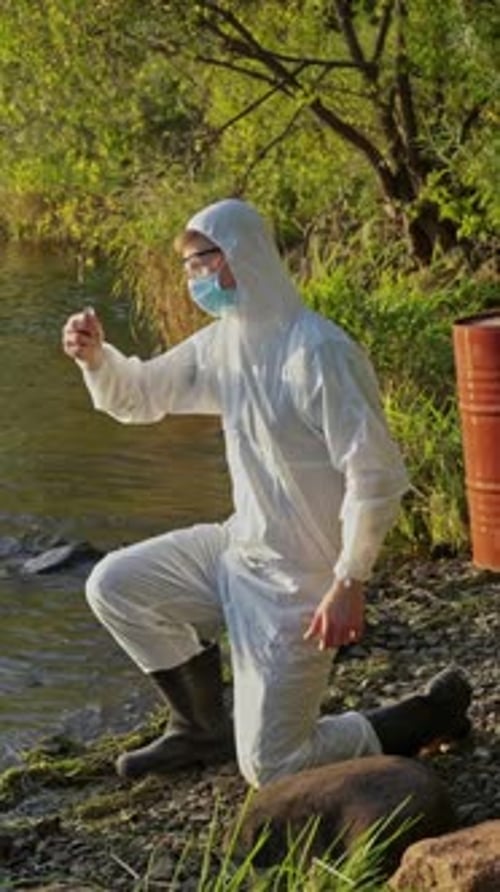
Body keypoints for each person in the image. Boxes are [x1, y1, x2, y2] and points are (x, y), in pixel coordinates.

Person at [62, 198, 471, 787]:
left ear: (240, 256)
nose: (192, 278)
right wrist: (97, 359)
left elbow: (374, 475)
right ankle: (199, 728)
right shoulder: (224, 343)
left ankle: (424, 715)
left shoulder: (319, 352)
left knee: (273, 767)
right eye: (186, 267)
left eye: (199, 262)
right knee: (114, 585)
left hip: (301, 584)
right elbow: (142, 396)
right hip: (237, 551)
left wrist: (348, 581)